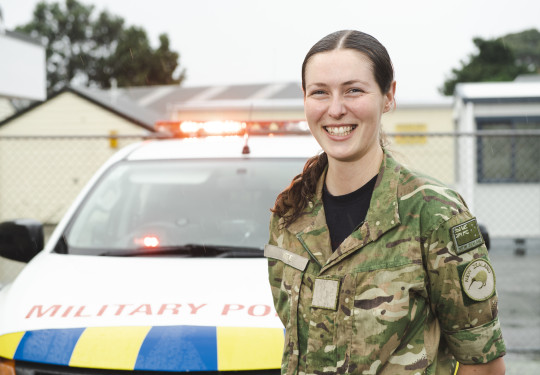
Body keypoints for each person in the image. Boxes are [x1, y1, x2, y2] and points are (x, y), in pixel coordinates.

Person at [265, 30, 506, 375]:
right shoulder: (290, 216)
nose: (335, 109)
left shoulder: (435, 213)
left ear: (388, 96)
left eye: (354, 90)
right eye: (320, 92)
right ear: (305, 99)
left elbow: (482, 363)